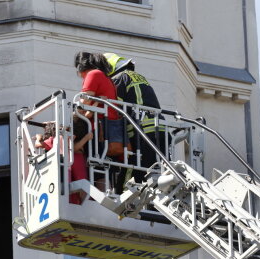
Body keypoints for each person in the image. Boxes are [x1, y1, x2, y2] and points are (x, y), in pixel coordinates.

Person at [104, 53, 168, 189]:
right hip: (160, 128)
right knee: (157, 173)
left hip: (142, 131)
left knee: (131, 174)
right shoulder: (138, 77)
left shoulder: (119, 78)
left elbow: (115, 107)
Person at [74, 51, 129, 191]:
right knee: (102, 170)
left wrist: (79, 110)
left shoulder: (93, 74)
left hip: (100, 131)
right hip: (108, 129)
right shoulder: (105, 77)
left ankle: (101, 203)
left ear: (81, 67)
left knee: (97, 171)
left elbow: (83, 103)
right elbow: (89, 109)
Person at [35, 118, 92, 204]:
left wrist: (38, 137)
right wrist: (86, 138)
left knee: (73, 186)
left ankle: (78, 202)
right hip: (69, 166)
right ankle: (84, 202)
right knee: (78, 184)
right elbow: (75, 148)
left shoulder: (54, 140)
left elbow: (38, 144)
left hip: (66, 169)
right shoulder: (61, 138)